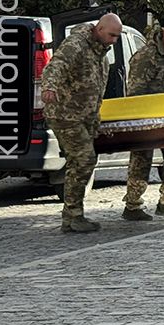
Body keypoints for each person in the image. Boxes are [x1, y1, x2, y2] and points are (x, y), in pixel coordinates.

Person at [40, 14, 122, 233]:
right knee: (85, 159)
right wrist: (49, 87)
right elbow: (55, 66)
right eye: (112, 35)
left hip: (84, 117)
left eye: (117, 36)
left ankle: (71, 216)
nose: (114, 40)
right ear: (99, 29)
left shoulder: (101, 53)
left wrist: (95, 118)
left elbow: (96, 89)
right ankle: (74, 215)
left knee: (78, 163)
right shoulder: (77, 44)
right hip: (65, 114)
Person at [122, 21, 164, 221]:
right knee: (141, 161)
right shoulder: (146, 57)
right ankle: (132, 205)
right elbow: (135, 92)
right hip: (147, 118)